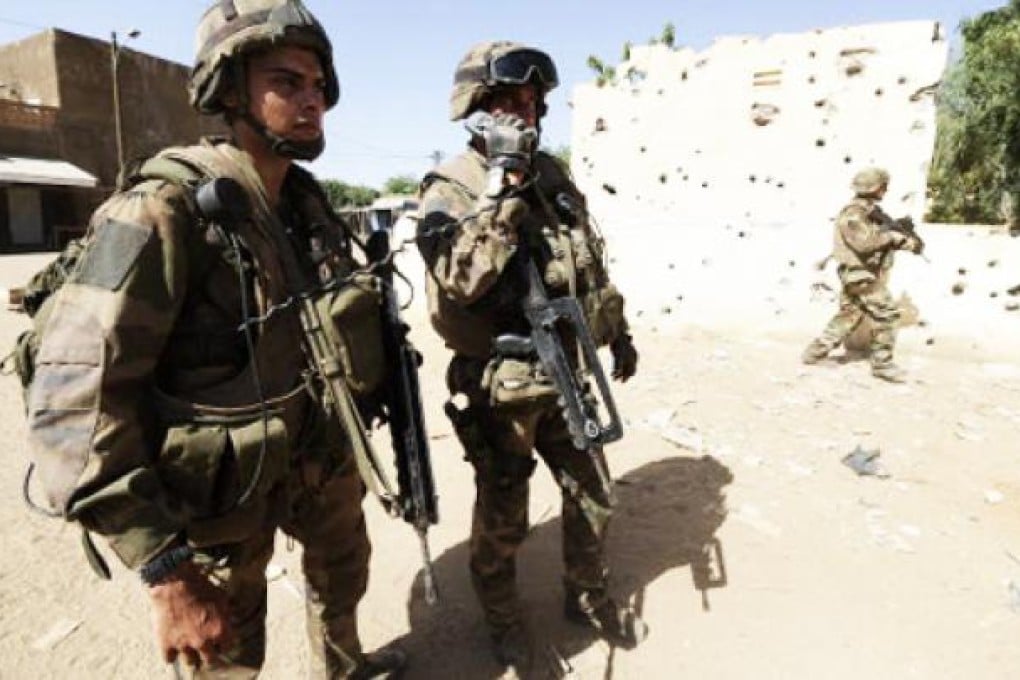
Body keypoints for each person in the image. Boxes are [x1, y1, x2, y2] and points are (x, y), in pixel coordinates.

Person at [24, 1, 405, 677]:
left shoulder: (307, 206)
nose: (312, 101)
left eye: (319, 86)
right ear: (228, 90)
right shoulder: (163, 209)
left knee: (343, 586)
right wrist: (165, 572)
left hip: (313, 465)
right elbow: (71, 401)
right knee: (225, 653)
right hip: (217, 499)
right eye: (287, 82)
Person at [415, 41, 645, 674]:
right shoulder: (448, 190)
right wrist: (505, 190)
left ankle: (587, 594)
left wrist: (617, 330)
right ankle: (505, 622)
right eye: (514, 101)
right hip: (501, 383)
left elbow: (586, 262)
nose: (532, 112)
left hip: (566, 372)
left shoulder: (554, 175)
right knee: (503, 519)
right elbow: (464, 280)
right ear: (479, 108)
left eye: (535, 100)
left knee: (595, 494)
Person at [802, 167, 923, 382]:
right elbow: (866, 244)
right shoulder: (854, 214)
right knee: (888, 314)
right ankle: (882, 365)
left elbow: (875, 240)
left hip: (861, 273)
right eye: (883, 186)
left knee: (849, 315)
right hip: (859, 274)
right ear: (875, 188)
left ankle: (814, 352)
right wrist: (893, 237)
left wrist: (902, 241)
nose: (885, 190)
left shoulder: (868, 212)